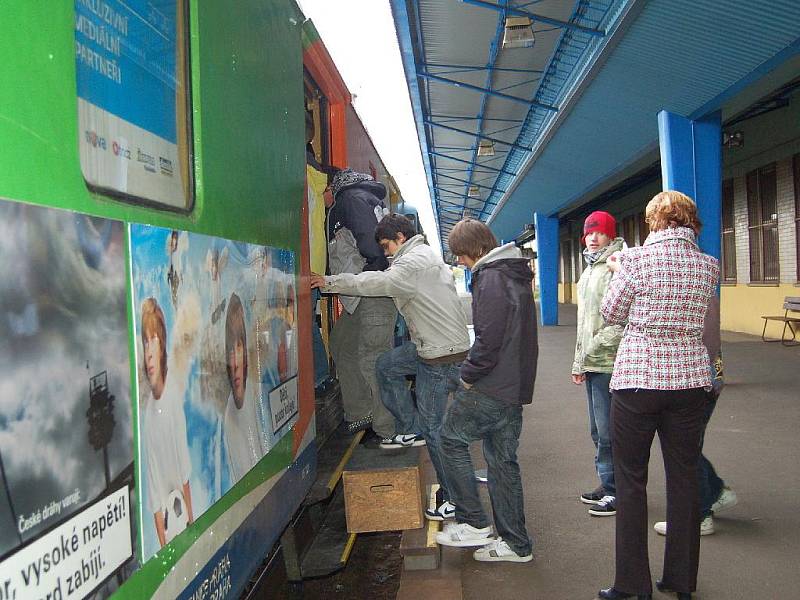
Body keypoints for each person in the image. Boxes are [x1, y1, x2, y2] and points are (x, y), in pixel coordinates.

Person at [597, 191, 719, 600]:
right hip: (690, 383)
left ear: (654, 222)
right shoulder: (708, 266)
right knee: (683, 479)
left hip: (639, 381)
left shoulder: (636, 262)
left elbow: (611, 313)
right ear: (690, 222)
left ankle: (632, 586)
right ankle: (681, 581)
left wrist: (618, 271)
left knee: (631, 481)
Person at [312, 214, 470, 517]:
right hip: (434, 345)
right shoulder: (421, 255)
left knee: (435, 430)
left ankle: (455, 501)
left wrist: (330, 282)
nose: (385, 253)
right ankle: (411, 428)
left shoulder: (411, 264)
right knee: (386, 365)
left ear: (400, 237)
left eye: (387, 246)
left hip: (440, 356)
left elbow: (377, 282)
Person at [435, 219, 538, 564]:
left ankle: (473, 522)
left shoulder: (491, 277)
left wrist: (467, 375)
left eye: (461, 256)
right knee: (502, 463)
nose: (461, 263)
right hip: (515, 385)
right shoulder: (513, 273)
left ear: (475, 249)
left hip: (492, 385)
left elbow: (488, 340)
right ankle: (516, 544)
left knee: (449, 438)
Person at [652, 295, 737, 537]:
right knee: (687, 446)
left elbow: (706, 338)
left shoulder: (687, 284)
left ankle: (699, 515)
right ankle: (716, 492)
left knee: (683, 450)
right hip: (705, 378)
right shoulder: (701, 280)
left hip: (696, 380)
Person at [325, 168, 398, 440]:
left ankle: (387, 430)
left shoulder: (351, 199)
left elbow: (371, 242)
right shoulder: (363, 198)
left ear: (332, 187)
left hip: (371, 290)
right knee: (342, 344)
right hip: (360, 293)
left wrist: (373, 274)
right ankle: (360, 414)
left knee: (373, 359)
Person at [571, 211, 625, 517]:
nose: (592, 237)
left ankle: (618, 492)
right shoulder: (590, 268)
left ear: (610, 234)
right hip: (592, 362)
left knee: (609, 432)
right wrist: (579, 362)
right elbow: (584, 322)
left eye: (599, 232)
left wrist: (595, 346)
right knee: (597, 431)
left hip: (610, 362)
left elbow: (623, 318)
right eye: (589, 233)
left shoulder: (618, 265)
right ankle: (607, 484)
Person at [140, 297, 194, 547]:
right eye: (144, 342)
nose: (149, 353)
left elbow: (183, 471)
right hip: (171, 527)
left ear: (161, 347)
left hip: (183, 519)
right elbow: (153, 491)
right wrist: (163, 547)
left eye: (154, 341)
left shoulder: (172, 397)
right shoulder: (149, 413)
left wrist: (193, 525)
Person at [222, 293, 266, 482]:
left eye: (238, 346)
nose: (234, 362)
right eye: (229, 349)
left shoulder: (258, 395)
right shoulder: (228, 418)